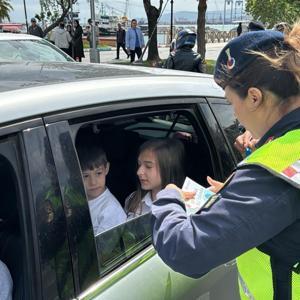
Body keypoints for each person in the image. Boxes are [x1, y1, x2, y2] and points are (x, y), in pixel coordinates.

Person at [152, 24, 300, 300]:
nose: (234, 116)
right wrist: (238, 198)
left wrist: (168, 197)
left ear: (255, 97)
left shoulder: (275, 172)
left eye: (232, 103)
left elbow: (186, 251)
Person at [125, 138, 186, 219]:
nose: (139, 172)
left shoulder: (187, 205)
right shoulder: (133, 199)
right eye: (139, 164)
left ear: (168, 168)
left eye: (148, 166)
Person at [77, 144, 126, 235]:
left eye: (98, 173)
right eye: (85, 176)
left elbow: (102, 248)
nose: (93, 182)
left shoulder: (111, 210)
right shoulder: (75, 197)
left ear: (106, 168)